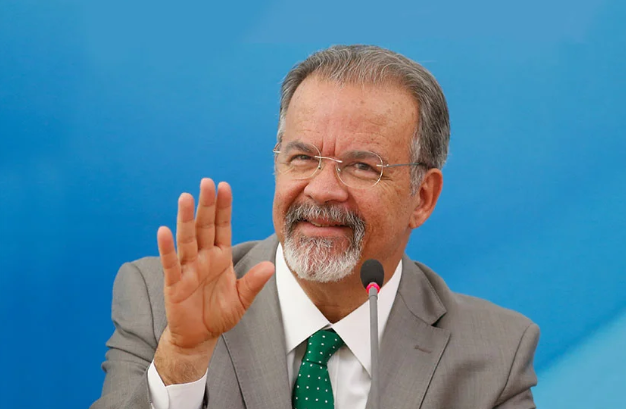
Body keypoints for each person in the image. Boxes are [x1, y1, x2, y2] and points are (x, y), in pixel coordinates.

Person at [91, 45, 539, 409]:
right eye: (303, 158)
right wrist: (183, 360)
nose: (322, 190)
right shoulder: (162, 304)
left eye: (362, 166)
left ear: (421, 197)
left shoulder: (495, 352)